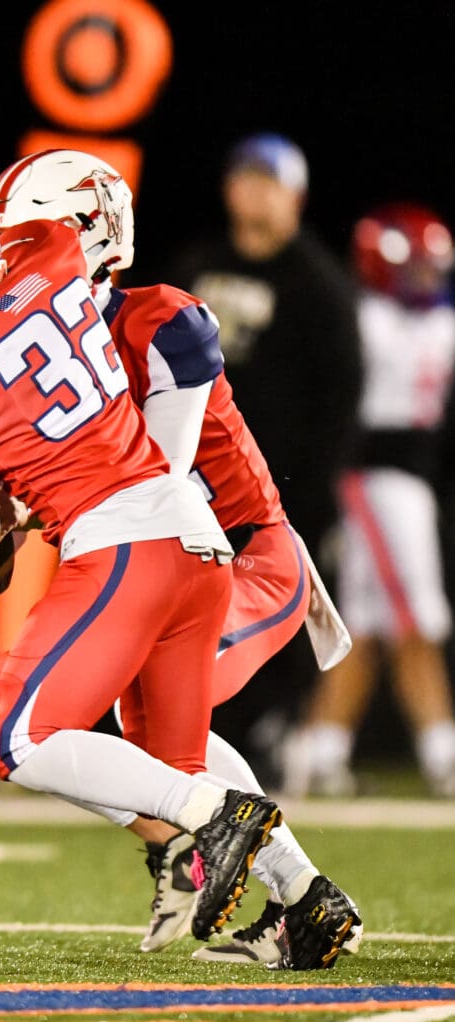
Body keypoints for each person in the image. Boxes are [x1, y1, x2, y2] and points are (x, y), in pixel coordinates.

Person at [0, 161, 360, 970]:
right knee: (136, 741)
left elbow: (139, 470)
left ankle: (204, 823)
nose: (2, 245)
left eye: (10, 230)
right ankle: (297, 896)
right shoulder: (53, 270)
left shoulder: (159, 319)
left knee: (15, 734)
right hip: (179, 544)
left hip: (228, 548)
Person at [163, 132, 363, 780]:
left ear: (295, 196)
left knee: (273, 615)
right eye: (245, 179)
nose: (254, 193)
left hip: (276, 489)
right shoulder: (198, 265)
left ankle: (274, 731)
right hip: (193, 482)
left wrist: (308, 488)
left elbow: (340, 396)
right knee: (187, 609)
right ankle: (191, 737)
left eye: (268, 182)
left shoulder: (319, 283)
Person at [281, 202, 455, 799]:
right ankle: (442, 750)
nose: (426, 279)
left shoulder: (433, 322)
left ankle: (319, 749)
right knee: (416, 620)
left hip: (407, 480)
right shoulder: (365, 319)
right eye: (416, 267)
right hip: (374, 479)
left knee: (367, 625)